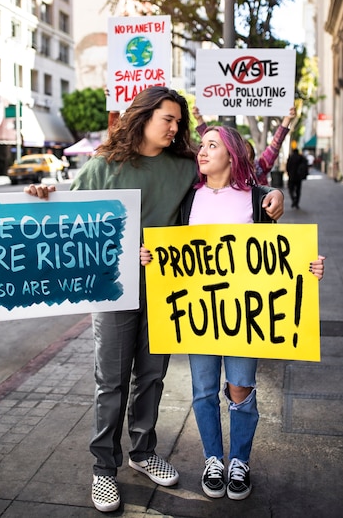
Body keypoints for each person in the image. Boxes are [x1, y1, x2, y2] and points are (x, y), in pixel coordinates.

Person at [24, 87, 285, 513]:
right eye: (168, 119)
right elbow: (70, 218)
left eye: (179, 122)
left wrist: (270, 193)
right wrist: (44, 194)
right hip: (113, 286)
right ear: (143, 117)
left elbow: (233, 182)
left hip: (165, 289)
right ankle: (103, 469)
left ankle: (142, 452)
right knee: (111, 381)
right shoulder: (102, 166)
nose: (176, 127)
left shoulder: (184, 167)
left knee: (152, 377)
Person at [141, 125, 325, 502]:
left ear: (232, 154)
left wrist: (310, 266)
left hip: (245, 319)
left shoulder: (257, 199)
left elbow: (276, 258)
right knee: (204, 391)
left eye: (212, 145)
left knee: (241, 389)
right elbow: (171, 251)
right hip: (199, 314)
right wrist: (150, 256)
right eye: (202, 145)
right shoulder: (187, 200)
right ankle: (213, 459)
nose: (203, 151)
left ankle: (239, 461)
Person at [191, 106, 296, 186]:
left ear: (252, 154)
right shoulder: (227, 174)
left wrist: (287, 120)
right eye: (239, 151)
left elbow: (275, 144)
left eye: (246, 151)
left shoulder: (260, 167)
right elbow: (211, 140)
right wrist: (199, 119)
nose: (242, 154)